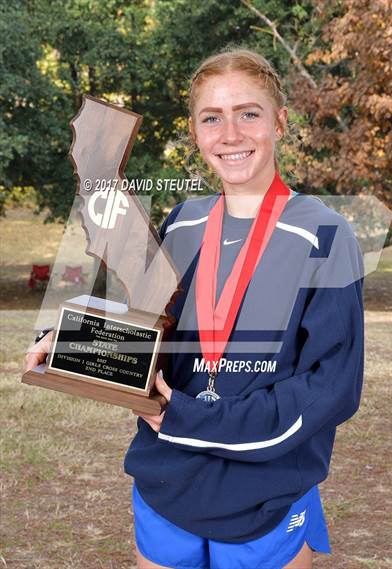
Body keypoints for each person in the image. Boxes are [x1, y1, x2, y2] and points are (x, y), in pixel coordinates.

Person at [25, 47, 365, 569]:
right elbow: (151, 331)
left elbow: (329, 389)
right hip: (167, 484)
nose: (230, 134)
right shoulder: (183, 221)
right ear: (195, 131)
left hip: (263, 497)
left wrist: (187, 417)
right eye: (212, 118)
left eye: (248, 113)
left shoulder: (324, 233)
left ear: (280, 121)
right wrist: (68, 345)